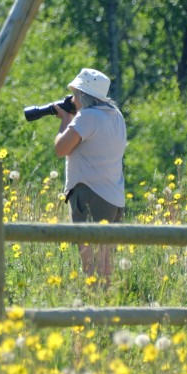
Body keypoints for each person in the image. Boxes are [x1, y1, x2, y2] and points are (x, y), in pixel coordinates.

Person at [54, 67, 126, 283]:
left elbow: (61, 149)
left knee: (90, 260)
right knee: (105, 261)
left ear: (84, 95)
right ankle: (106, 299)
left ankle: (93, 299)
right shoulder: (116, 116)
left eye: (75, 94)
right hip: (113, 197)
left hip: (89, 194)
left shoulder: (87, 117)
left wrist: (65, 119)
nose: (72, 100)